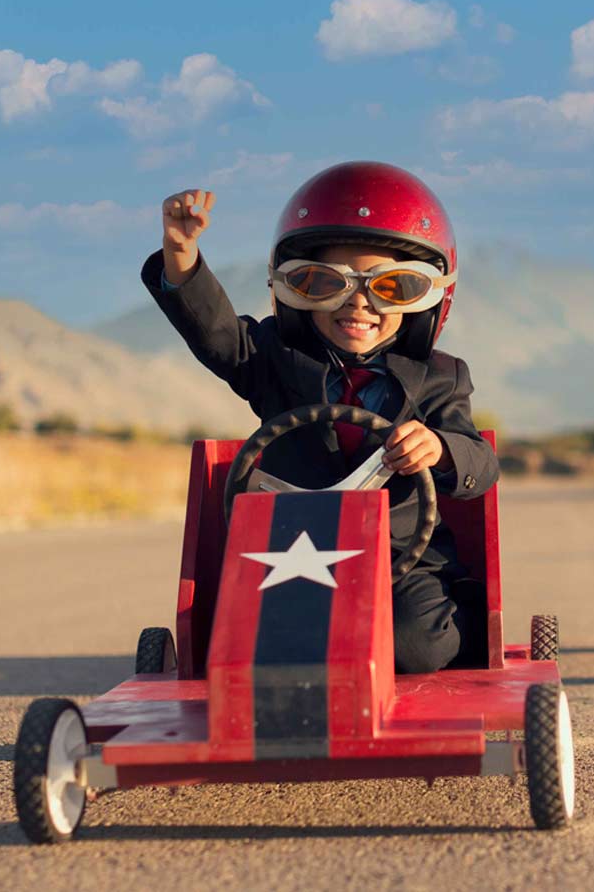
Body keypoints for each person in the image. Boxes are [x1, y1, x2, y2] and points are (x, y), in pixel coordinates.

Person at [142, 161, 498, 673]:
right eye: (323, 283)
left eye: (392, 289)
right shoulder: (274, 358)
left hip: (401, 563)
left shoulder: (441, 377)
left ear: (426, 299)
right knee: (246, 644)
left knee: (418, 646)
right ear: (292, 289)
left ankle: (453, 624)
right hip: (288, 554)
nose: (359, 305)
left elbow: (480, 464)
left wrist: (439, 449)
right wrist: (181, 256)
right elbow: (216, 335)